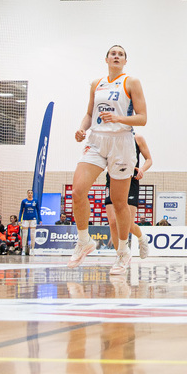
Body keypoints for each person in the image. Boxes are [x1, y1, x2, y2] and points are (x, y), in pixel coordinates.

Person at [68, 44, 149, 271]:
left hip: (121, 142)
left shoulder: (131, 82)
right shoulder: (97, 83)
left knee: (119, 203)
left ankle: (123, 252)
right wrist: (82, 129)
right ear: (106, 59)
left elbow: (142, 118)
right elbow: (89, 114)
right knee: (77, 191)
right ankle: (84, 241)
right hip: (96, 140)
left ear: (125, 61)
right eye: (113, 53)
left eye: (120, 54)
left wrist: (118, 118)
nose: (116, 56)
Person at [106, 131, 153, 266]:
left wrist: (142, 169)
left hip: (131, 180)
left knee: (127, 224)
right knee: (113, 222)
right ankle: (120, 257)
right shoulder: (108, 137)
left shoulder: (137, 138)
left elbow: (149, 160)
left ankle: (142, 238)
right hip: (112, 178)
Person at [18, 189, 41, 255]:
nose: (30, 194)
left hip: (33, 219)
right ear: (27, 194)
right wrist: (19, 220)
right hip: (25, 219)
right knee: (25, 235)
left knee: (32, 235)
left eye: (31, 193)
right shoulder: (24, 201)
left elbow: (38, 210)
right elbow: (21, 210)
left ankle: (32, 249)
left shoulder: (35, 201)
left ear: (32, 194)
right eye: (29, 193)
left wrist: (40, 219)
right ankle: (23, 249)